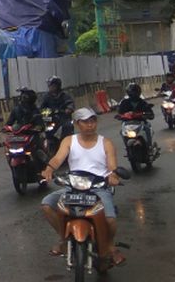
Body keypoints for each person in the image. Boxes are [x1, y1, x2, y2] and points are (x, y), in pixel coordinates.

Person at [41, 108, 124, 270]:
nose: (90, 125)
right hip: (73, 186)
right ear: (78, 124)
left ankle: (109, 246)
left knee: (110, 219)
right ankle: (63, 239)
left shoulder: (106, 143)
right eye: (86, 122)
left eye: (93, 121)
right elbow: (58, 158)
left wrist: (113, 176)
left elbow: (112, 166)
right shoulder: (69, 141)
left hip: (98, 187)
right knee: (47, 204)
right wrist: (49, 168)